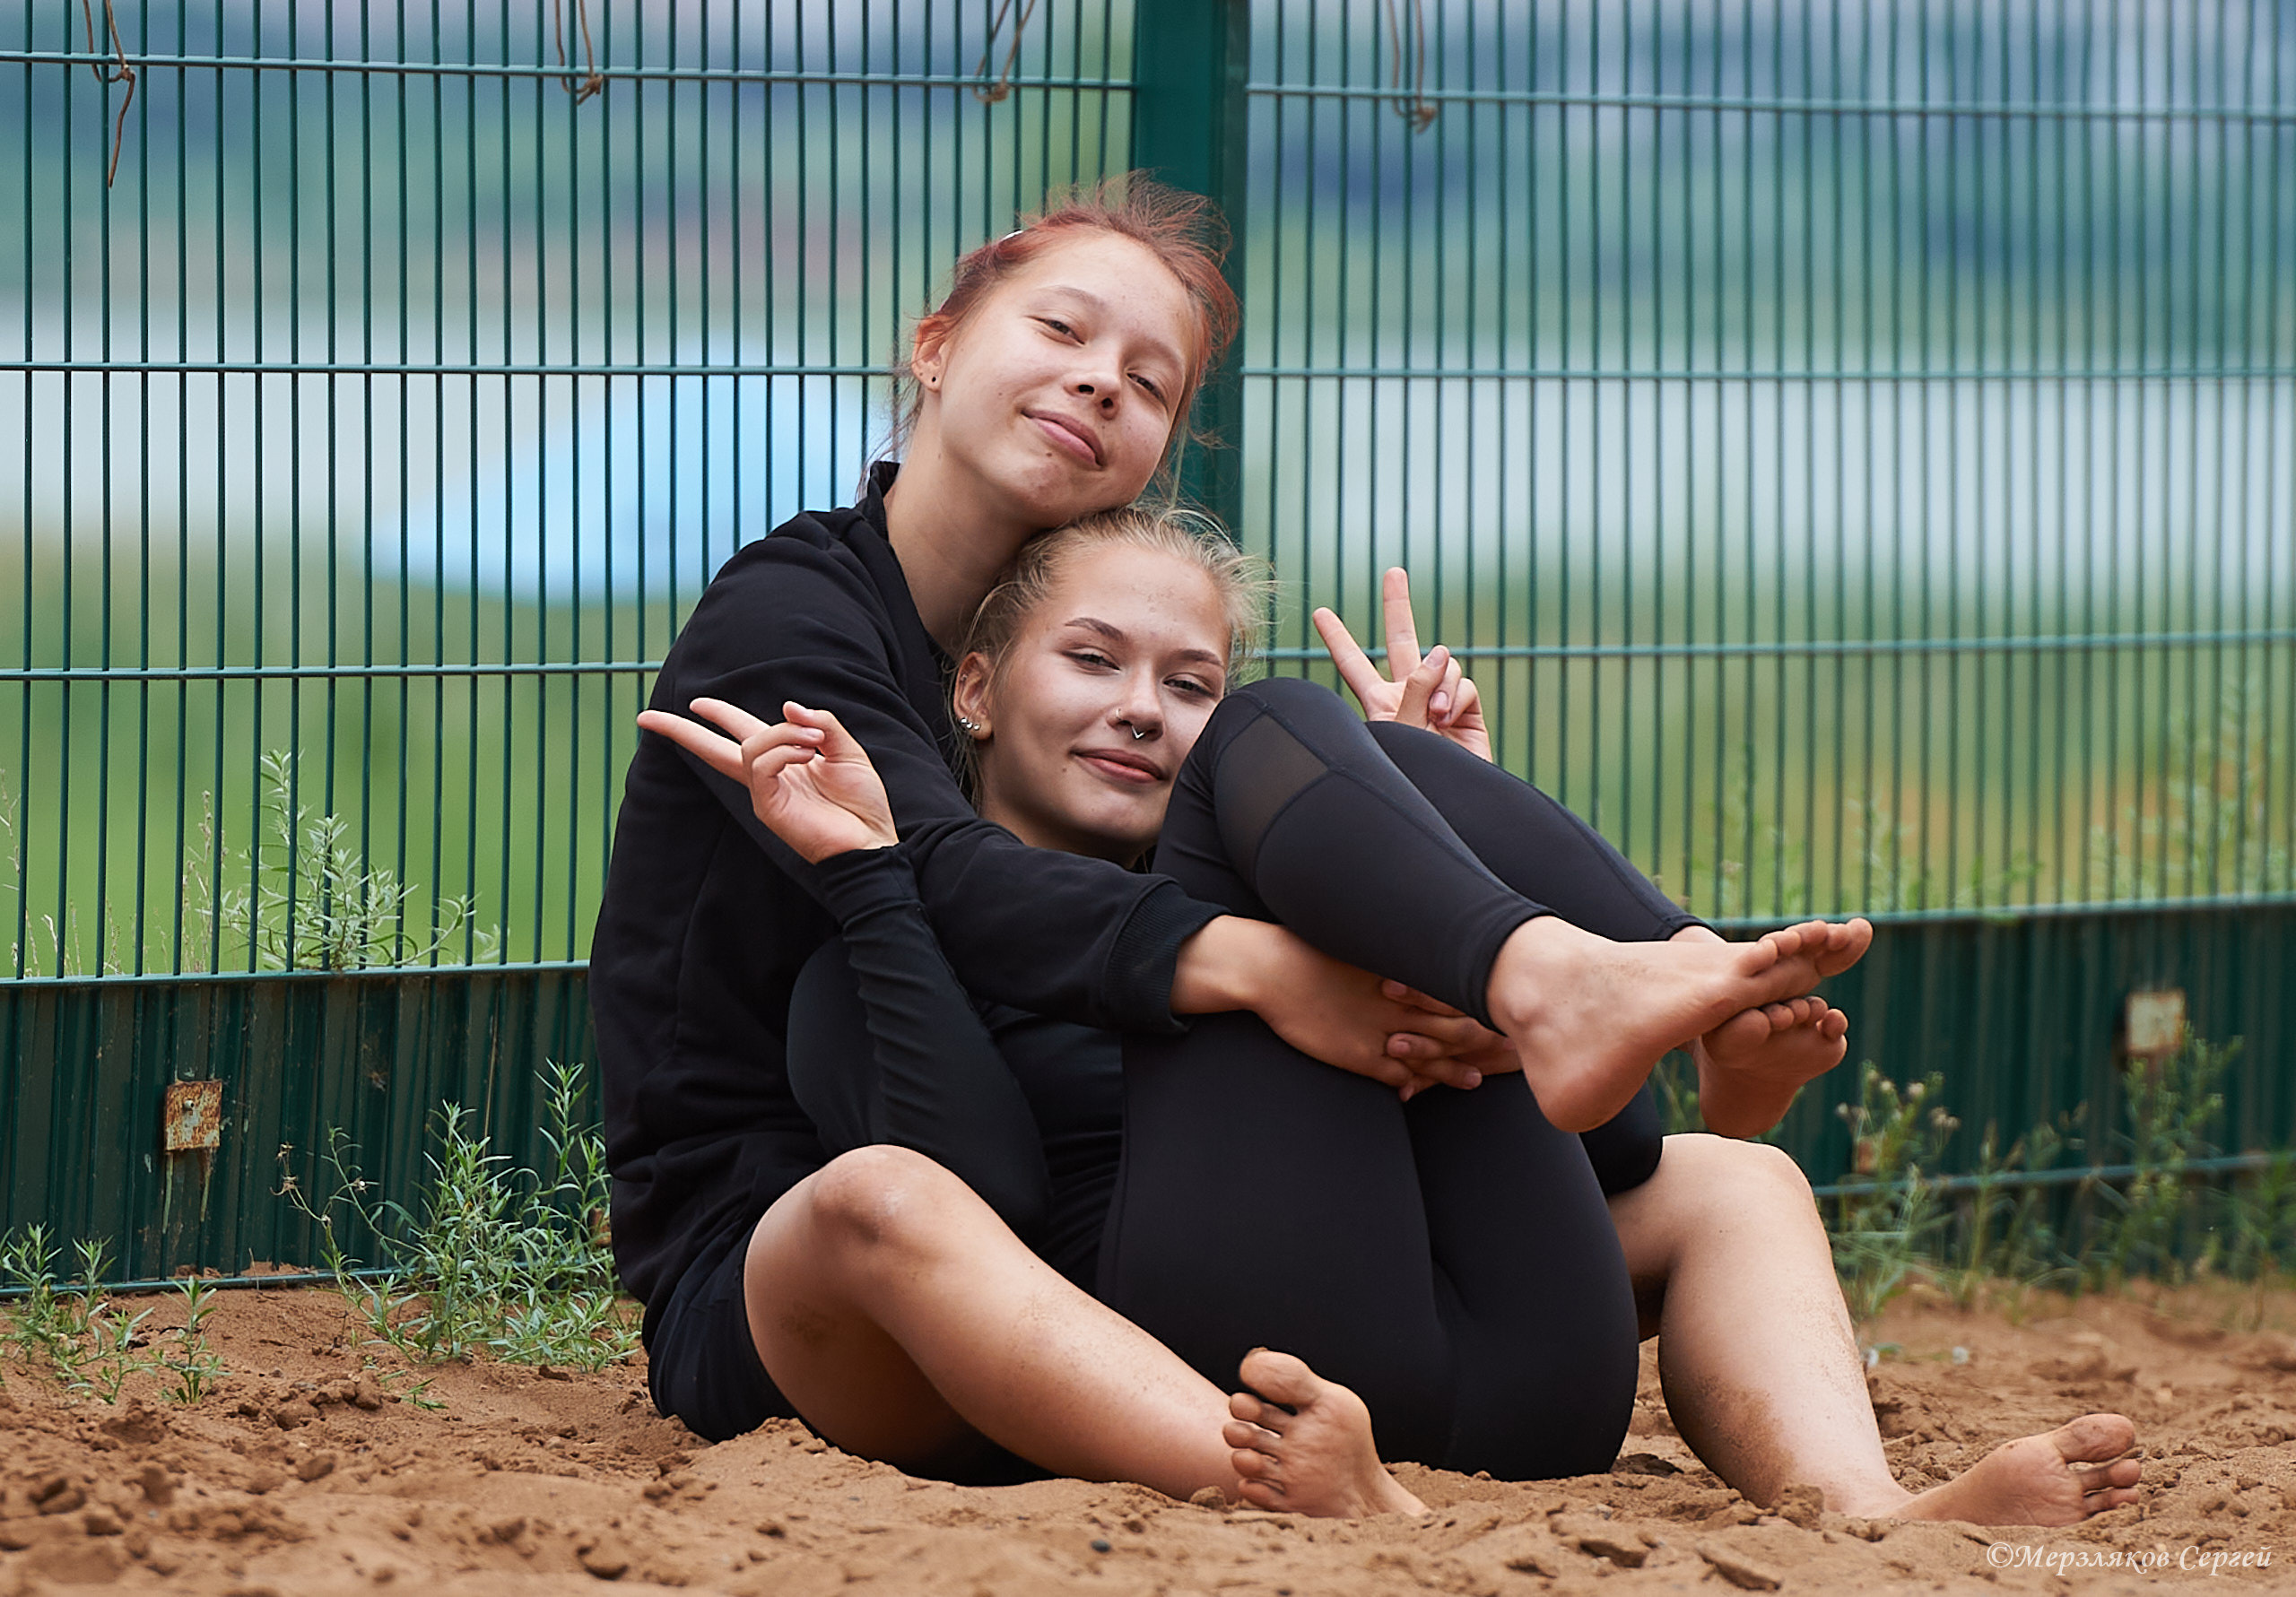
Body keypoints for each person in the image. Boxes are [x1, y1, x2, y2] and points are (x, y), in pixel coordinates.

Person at [598, 175, 2140, 1521]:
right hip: (801, 1226)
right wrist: (1266, 959)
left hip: (1450, 1347)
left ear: (1160, 457)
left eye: (1149, 379)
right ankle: (1618, 984)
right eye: (1061, 331)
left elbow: (1571, 1147)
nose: (1097, 385)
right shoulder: (794, 619)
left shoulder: (1113, 784)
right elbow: (942, 882)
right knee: (911, 1174)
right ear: (935, 347)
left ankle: (1867, 1510)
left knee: (1727, 1181)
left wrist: (1418, 820)